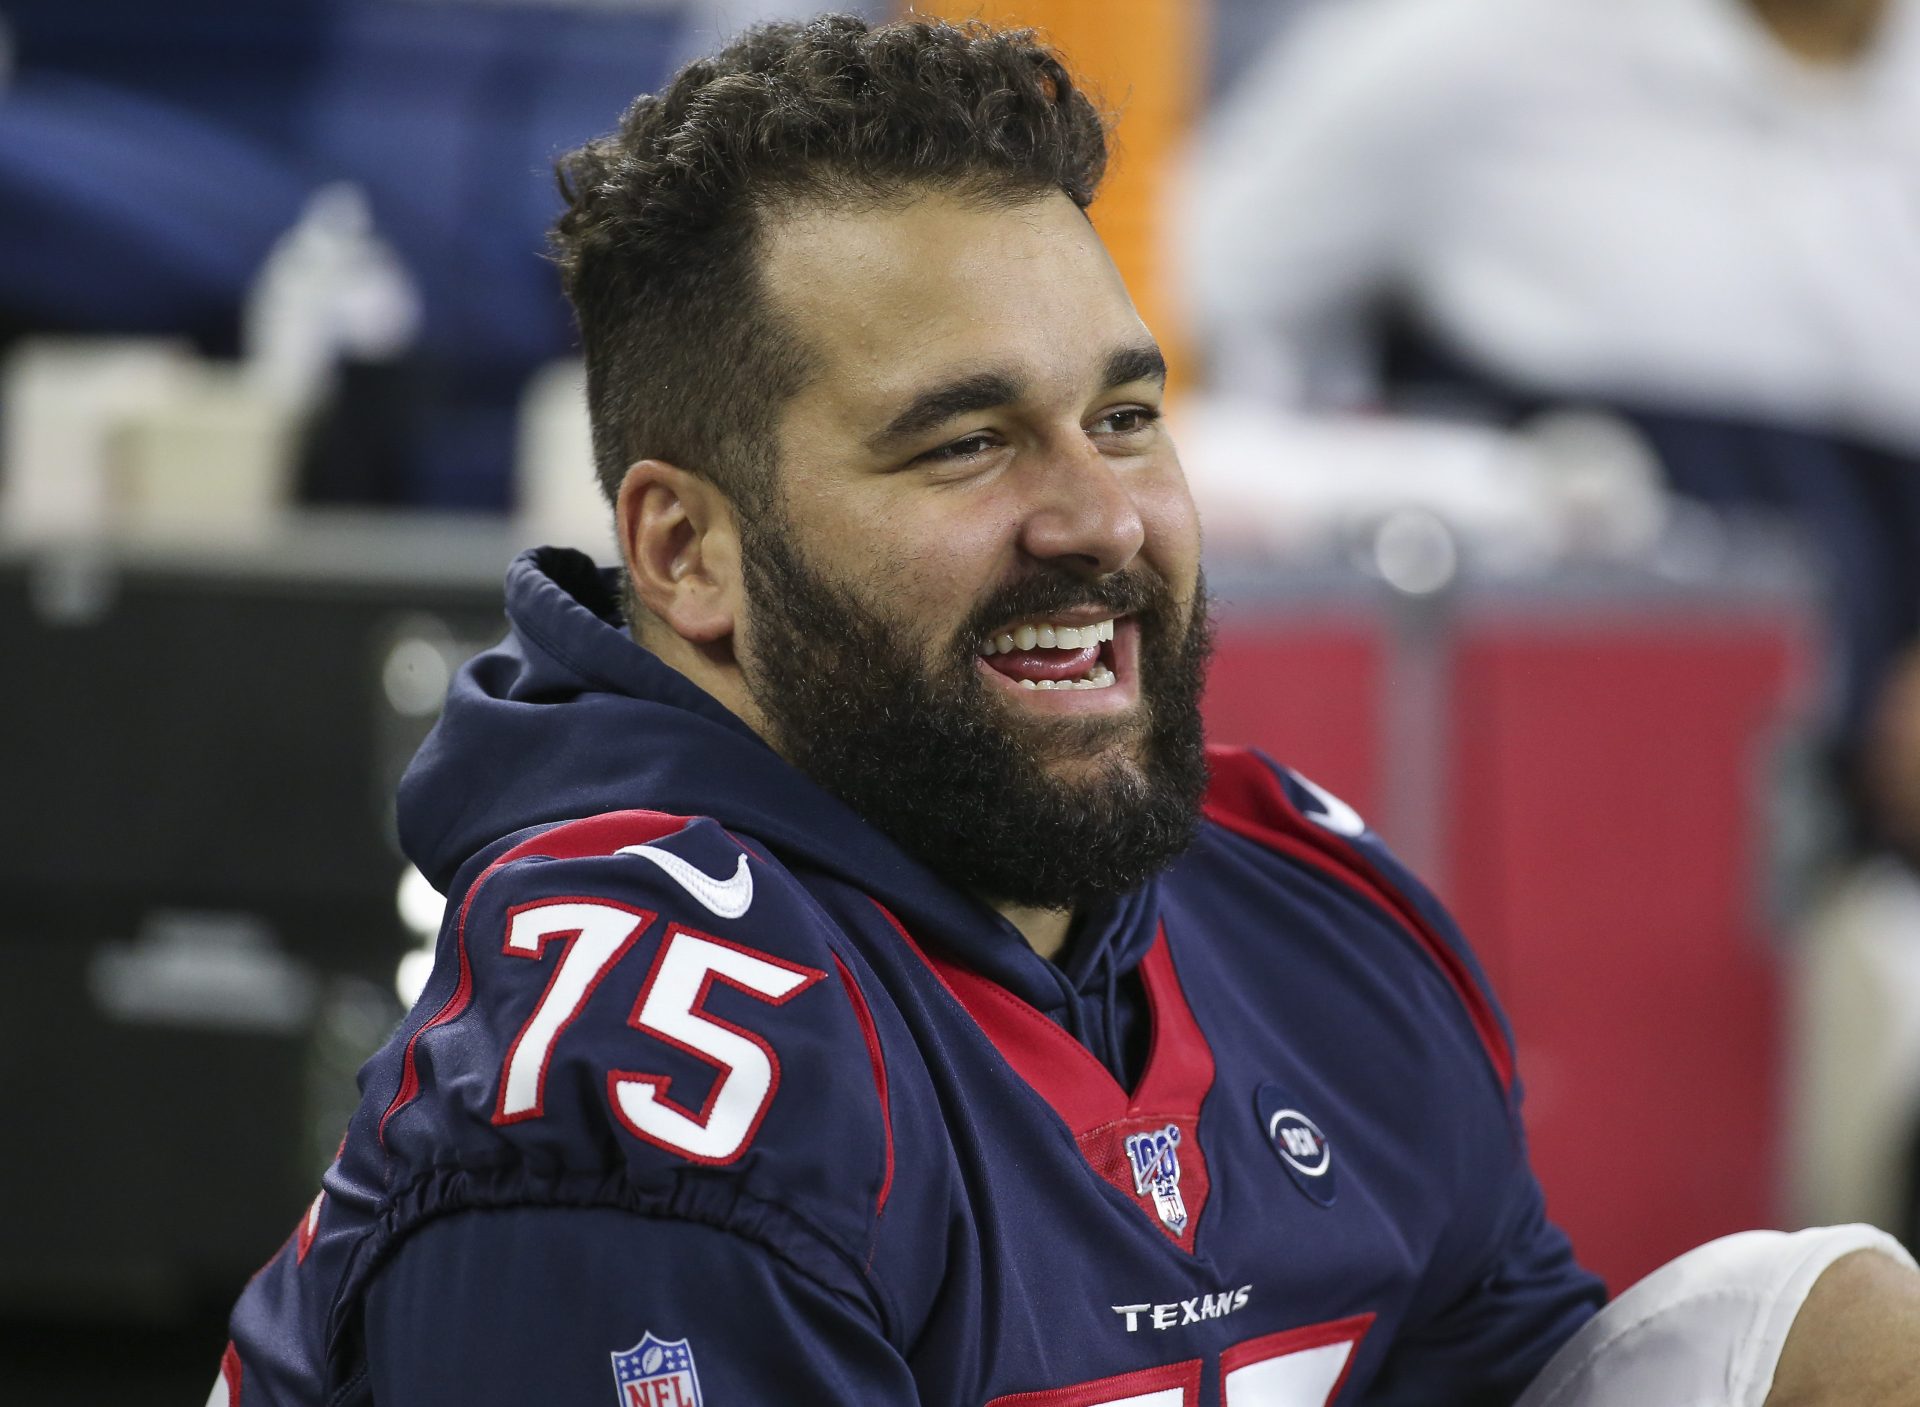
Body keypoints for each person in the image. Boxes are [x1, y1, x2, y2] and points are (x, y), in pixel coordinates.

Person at [214, 15, 1920, 1406]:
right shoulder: (648, 1079)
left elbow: (1495, 1360)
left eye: (1121, 418)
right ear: (688, 551)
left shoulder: (1303, 906)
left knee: (1845, 1338)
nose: (1099, 520)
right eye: (963, 442)